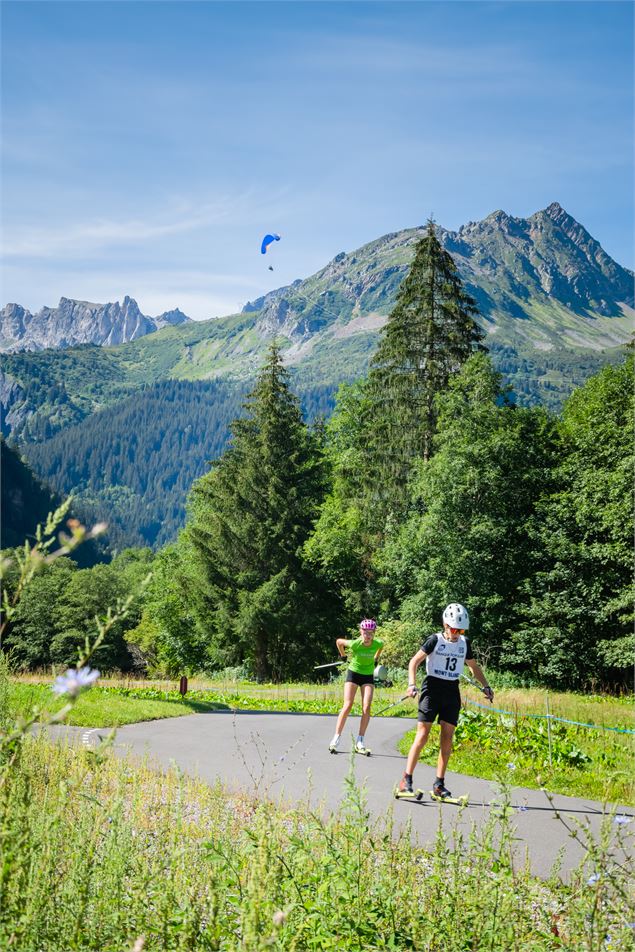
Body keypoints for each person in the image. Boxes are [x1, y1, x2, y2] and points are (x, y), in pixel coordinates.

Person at [397, 603, 493, 798]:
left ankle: (439, 784)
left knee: (447, 738)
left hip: (451, 690)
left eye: (461, 629)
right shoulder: (435, 640)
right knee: (422, 735)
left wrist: (486, 685)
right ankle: (406, 779)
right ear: (445, 625)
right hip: (432, 688)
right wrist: (411, 684)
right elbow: (414, 662)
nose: (457, 633)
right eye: (454, 628)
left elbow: (473, 667)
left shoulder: (465, 643)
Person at [328, 619, 384, 754]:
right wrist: (343, 656)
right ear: (361, 632)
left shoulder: (378, 643)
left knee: (366, 707)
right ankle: (336, 738)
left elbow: (381, 647)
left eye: (371, 633)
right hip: (353, 674)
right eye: (365, 632)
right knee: (348, 705)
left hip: (367, 676)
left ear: (374, 633)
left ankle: (360, 741)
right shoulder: (355, 644)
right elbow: (339, 642)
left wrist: (376, 659)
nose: (368, 635)